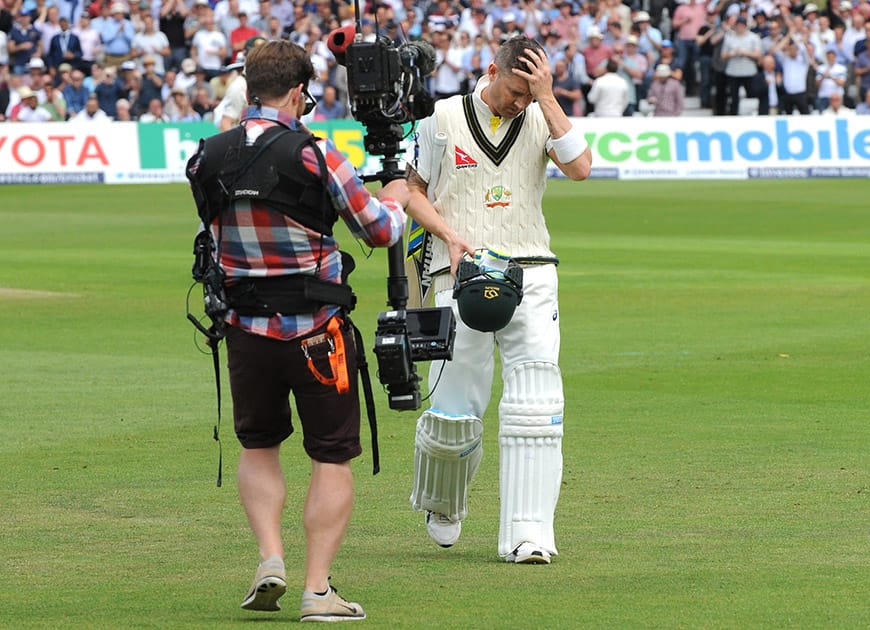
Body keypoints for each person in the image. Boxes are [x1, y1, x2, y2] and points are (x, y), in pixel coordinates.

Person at [185, 39, 409, 621]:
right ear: (298, 92)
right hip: (316, 330)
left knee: (258, 446)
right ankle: (316, 588)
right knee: (331, 457)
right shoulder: (318, 154)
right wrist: (398, 199)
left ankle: (270, 559)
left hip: (244, 329)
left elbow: (216, 231)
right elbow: (380, 231)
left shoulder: (207, 155)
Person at [403, 35, 591, 566]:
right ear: (491, 70)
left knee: (537, 403)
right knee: (455, 408)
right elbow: (409, 190)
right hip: (457, 271)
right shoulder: (439, 117)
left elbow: (581, 168)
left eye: (528, 94)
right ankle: (443, 503)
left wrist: (547, 98)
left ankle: (529, 534)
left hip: (530, 270)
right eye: (514, 91)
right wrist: (449, 234)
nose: (519, 103)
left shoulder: (540, 115)